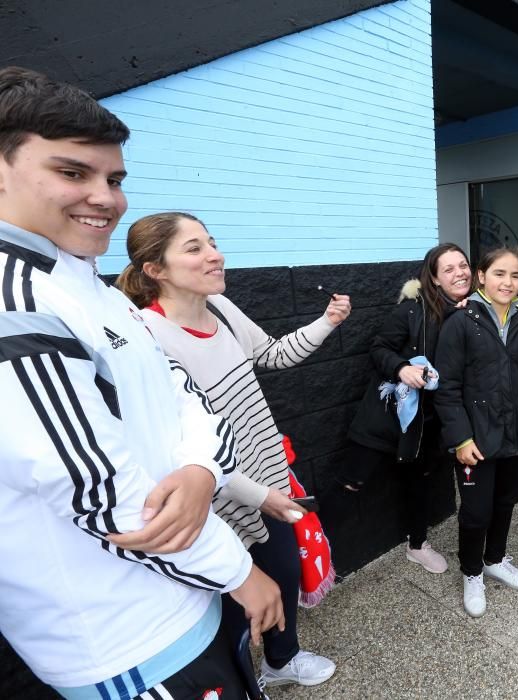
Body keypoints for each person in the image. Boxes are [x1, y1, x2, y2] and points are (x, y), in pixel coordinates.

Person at [0, 66, 283, 699]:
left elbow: (188, 397)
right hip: (124, 636)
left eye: (114, 179)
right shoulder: (15, 298)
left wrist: (202, 472)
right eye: (73, 173)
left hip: (183, 596)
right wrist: (238, 569)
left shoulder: (85, 282)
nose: (105, 197)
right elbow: (97, 492)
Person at [116, 212, 346, 688]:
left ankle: (281, 662)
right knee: (229, 606)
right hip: (216, 502)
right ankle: (245, 680)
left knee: (281, 575)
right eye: (194, 248)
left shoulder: (221, 307)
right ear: (155, 269)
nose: (215, 254)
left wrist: (327, 322)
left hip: (269, 481)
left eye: (213, 243)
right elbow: (179, 444)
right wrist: (256, 495)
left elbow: (274, 354)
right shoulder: (146, 337)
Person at [435, 247, 518, 617]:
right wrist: (460, 438)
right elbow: (447, 387)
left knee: (506, 501)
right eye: (500, 274)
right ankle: (472, 571)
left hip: (517, 434)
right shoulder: (460, 322)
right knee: (475, 511)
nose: (508, 282)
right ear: (481, 276)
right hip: (475, 438)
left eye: (516, 275)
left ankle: (495, 558)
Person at [345, 242, 473, 573]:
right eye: (449, 269)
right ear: (433, 278)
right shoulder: (412, 310)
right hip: (388, 417)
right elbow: (379, 347)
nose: (459, 273)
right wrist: (402, 368)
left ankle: (417, 545)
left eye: (463, 265)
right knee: (350, 482)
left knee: (420, 483)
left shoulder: (471, 312)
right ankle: (313, 556)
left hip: (429, 423)